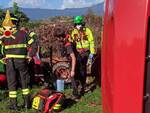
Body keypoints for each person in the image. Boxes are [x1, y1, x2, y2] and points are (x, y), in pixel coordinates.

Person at [0, 10, 37, 110]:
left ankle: (14, 105)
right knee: (24, 82)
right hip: (22, 62)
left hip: (9, 62)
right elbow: (34, 43)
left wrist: (1, 57)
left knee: (12, 84)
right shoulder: (23, 34)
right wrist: (30, 55)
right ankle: (27, 104)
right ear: (17, 23)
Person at [70, 16, 95, 95]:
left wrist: (92, 52)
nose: (78, 25)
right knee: (78, 68)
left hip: (86, 51)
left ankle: (83, 85)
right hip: (78, 52)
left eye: (79, 24)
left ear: (82, 23)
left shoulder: (87, 31)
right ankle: (80, 84)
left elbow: (91, 41)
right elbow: (72, 41)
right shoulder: (74, 32)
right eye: (77, 24)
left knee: (83, 68)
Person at [54, 27, 80, 99]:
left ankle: (76, 95)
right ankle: (79, 91)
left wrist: (72, 70)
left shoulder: (68, 44)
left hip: (74, 61)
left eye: (57, 38)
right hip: (74, 60)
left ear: (60, 37)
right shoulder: (68, 39)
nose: (57, 40)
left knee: (73, 78)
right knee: (76, 77)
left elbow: (73, 57)